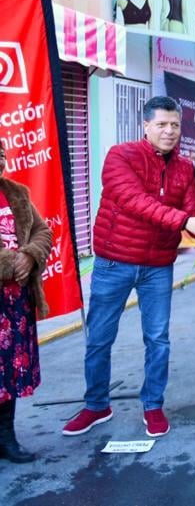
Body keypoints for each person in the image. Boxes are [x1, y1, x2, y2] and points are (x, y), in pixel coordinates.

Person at [62, 97, 195, 439]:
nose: (169, 131)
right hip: (113, 262)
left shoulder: (184, 169)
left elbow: (193, 209)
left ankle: (153, 405)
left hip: (157, 267)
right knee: (100, 338)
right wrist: (186, 220)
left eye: (175, 125)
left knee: (158, 340)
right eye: (162, 124)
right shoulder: (121, 156)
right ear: (146, 126)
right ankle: (96, 404)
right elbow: (136, 202)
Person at [0, 142, 52, 462]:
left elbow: (43, 232)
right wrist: (11, 262)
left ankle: (6, 438)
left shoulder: (17, 192)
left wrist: (31, 256)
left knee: (8, 376)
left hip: (15, 305)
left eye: (1, 155)